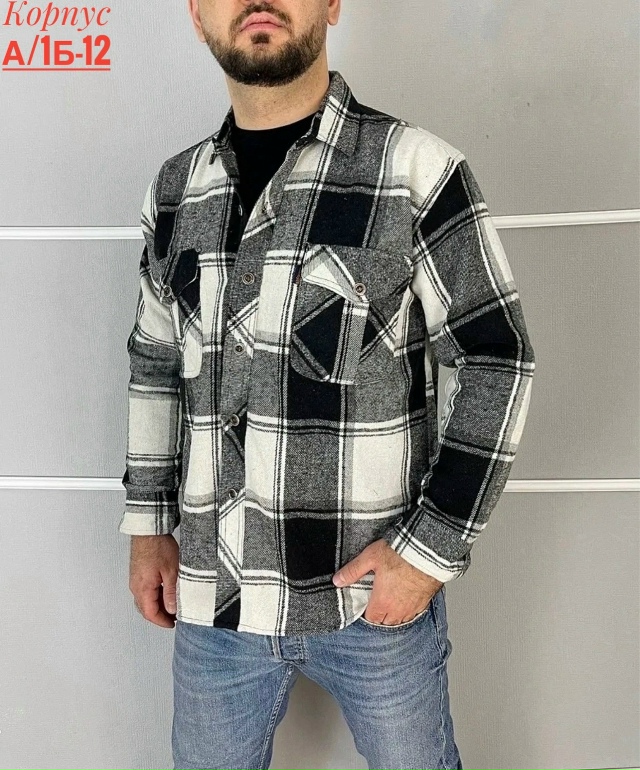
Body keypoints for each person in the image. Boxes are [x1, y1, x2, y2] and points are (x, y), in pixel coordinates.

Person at [118, 1, 536, 768]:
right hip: (214, 602)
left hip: (370, 605)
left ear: (333, 3)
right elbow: (154, 363)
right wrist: (149, 526)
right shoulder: (175, 191)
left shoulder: (415, 171)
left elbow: (496, 357)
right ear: (197, 15)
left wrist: (429, 552)